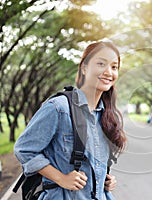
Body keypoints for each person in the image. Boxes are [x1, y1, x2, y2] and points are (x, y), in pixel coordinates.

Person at [14, 40, 126, 200]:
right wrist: (61, 178)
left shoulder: (107, 116)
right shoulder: (59, 108)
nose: (109, 72)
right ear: (84, 67)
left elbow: (94, 164)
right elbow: (24, 149)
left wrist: (104, 181)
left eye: (114, 67)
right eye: (101, 64)